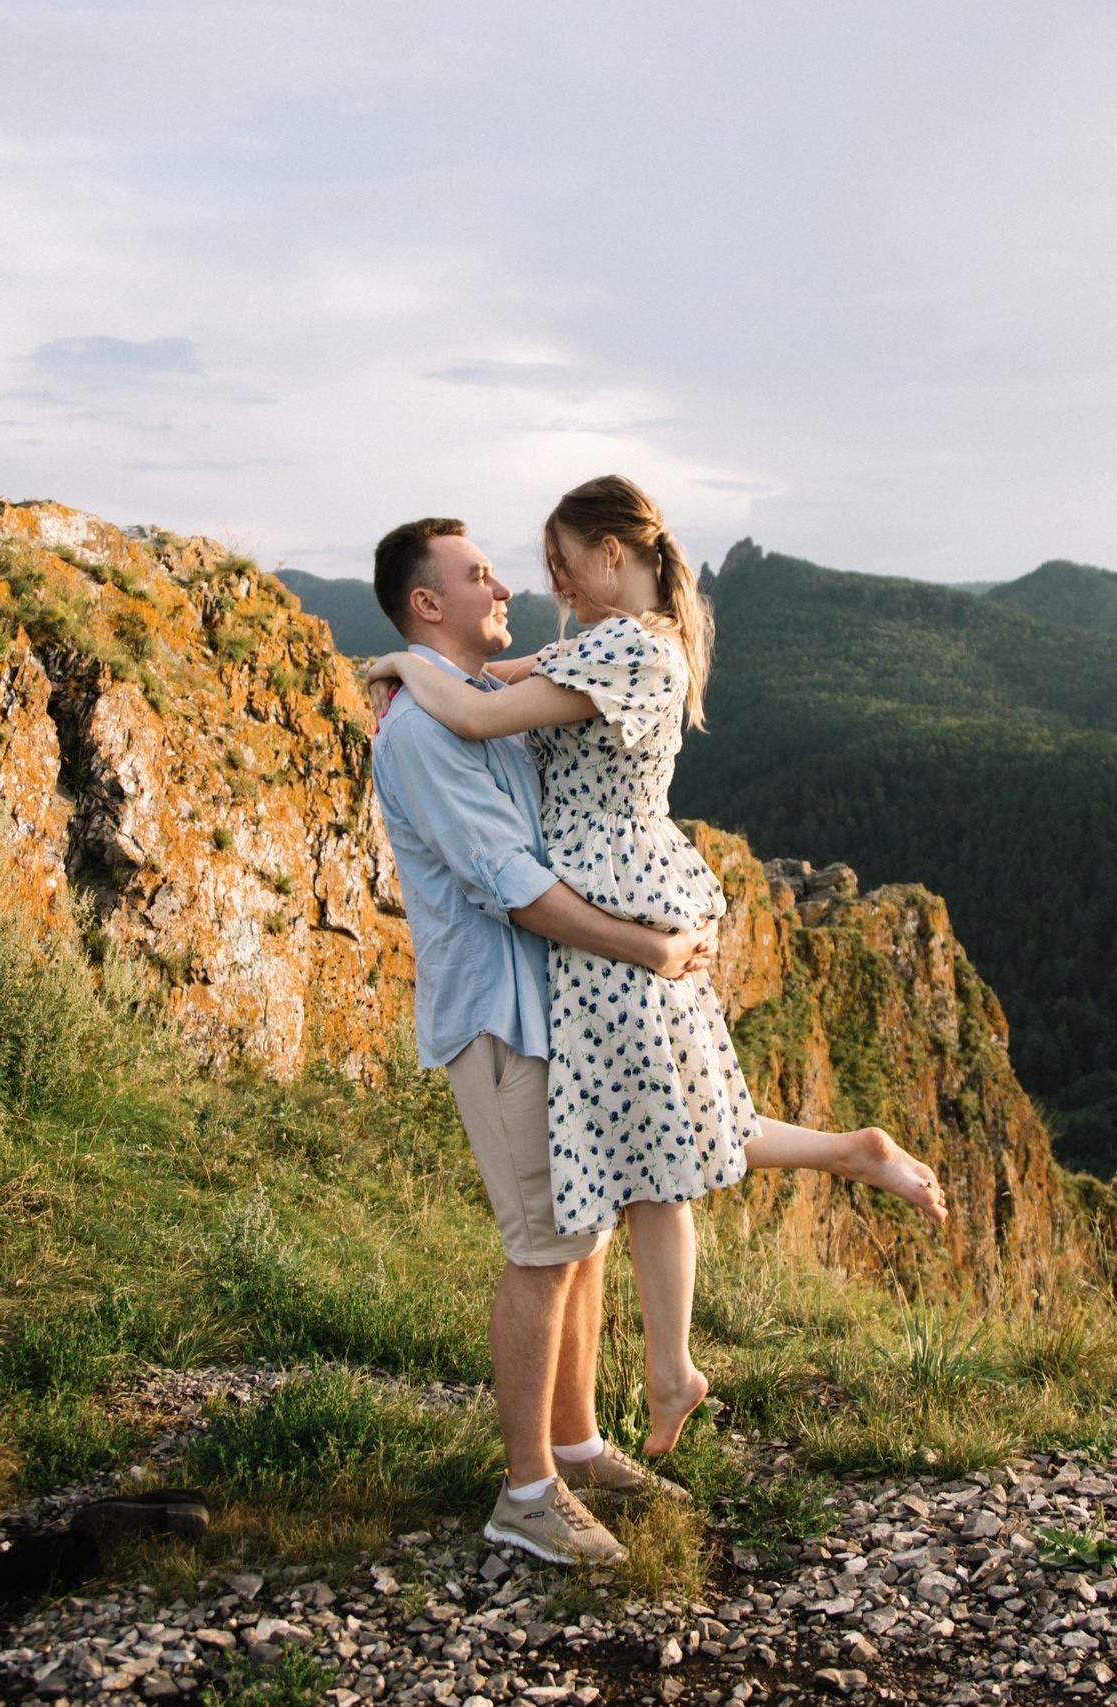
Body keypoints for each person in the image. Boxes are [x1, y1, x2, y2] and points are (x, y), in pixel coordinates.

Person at [364, 480, 947, 1487]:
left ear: (606, 551)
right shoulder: (549, 671)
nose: (527, 585)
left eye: (551, 566)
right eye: (491, 573)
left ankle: (615, 1416)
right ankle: (546, 1475)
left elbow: (481, 705)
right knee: (630, 1166)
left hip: (599, 932)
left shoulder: (615, 653)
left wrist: (403, 668)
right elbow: (502, 749)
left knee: (637, 1167)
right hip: (561, 957)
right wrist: (430, 671)